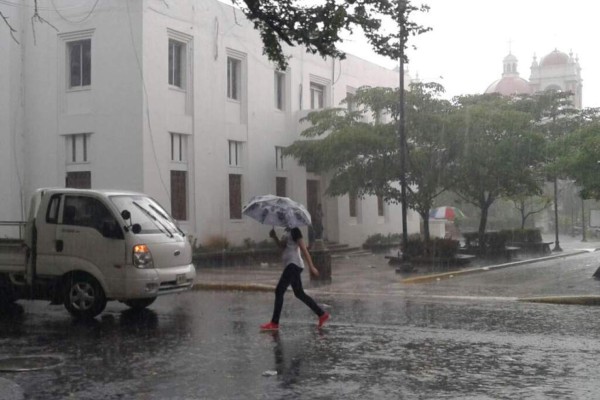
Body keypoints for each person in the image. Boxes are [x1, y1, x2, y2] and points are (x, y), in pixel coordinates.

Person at [260, 226, 330, 331]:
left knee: (279, 290)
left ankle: (274, 323)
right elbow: (282, 246)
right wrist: (274, 237)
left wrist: (311, 266)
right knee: (299, 293)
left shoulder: (295, 230)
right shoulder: (287, 231)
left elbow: (303, 248)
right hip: (290, 265)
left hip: (294, 264)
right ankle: (322, 314)